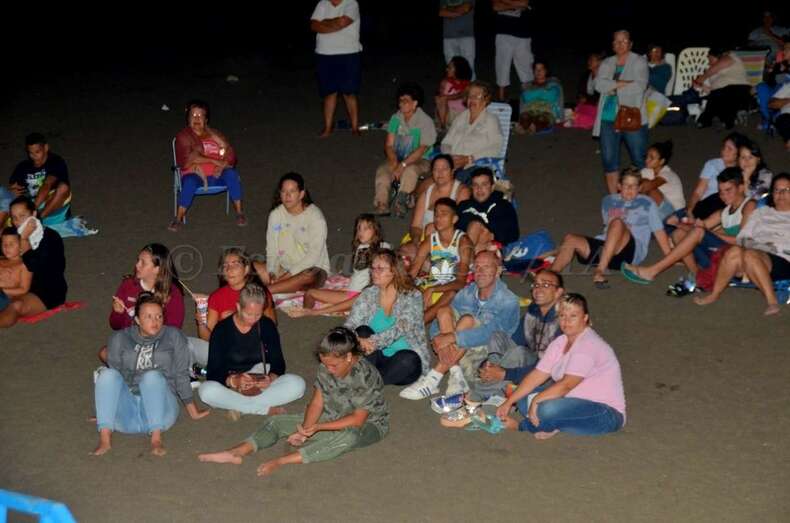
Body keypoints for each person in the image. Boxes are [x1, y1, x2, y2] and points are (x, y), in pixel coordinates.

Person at [198, 327, 388, 477]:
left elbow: (357, 420)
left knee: (348, 438)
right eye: (325, 364)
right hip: (332, 414)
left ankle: (283, 460)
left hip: (369, 425)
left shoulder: (366, 376)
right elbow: (317, 403)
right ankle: (237, 452)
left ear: (348, 357)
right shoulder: (326, 366)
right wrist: (305, 430)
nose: (328, 369)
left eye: (333, 365)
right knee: (277, 422)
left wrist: (318, 427)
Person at [92, 293, 210, 456]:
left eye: (159, 316)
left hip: (161, 412)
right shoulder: (120, 338)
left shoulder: (173, 336)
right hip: (128, 416)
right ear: (137, 319)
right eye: (148, 317)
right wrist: (106, 410)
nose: (155, 321)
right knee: (107, 375)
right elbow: (117, 377)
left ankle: (156, 439)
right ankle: (105, 439)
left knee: (152, 376)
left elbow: (181, 374)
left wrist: (192, 410)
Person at [495, 293, 626, 439]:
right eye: (562, 316)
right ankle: (555, 424)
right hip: (572, 401)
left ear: (585, 318)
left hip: (605, 414)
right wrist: (509, 402)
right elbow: (537, 374)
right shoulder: (560, 342)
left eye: (573, 316)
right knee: (524, 399)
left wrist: (536, 401)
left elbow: (567, 385)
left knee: (545, 409)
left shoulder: (588, 345)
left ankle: (526, 426)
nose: (566, 321)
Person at [400, 250, 520, 400]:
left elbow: (489, 334)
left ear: (498, 271)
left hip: (486, 357)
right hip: (460, 351)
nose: (480, 271)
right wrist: (437, 338)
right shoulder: (467, 292)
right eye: (477, 266)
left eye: (486, 266)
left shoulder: (508, 301)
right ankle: (456, 373)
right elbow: (439, 322)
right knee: (443, 311)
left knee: (467, 320)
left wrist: (451, 337)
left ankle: (434, 377)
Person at [622, 168, 756, 286]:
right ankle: (699, 277)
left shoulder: (749, 205)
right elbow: (700, 231)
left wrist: (707, 232)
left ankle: (652, 271)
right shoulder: (724, 211)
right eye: (721, 192)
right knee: (678, 234)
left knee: (699, 232)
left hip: (737, 262)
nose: (724, 195)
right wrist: (678, 224)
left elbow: (742, 241)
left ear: (741, 187)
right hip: (719, 255)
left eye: (728, 190)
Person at [198, 283, 306, 417]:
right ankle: (261, 408)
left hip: (261, 377)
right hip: (233, 382)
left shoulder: (267, 325)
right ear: (238, 307)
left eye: (258, 314)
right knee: (206, 391)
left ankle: (240, 405)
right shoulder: (222, 330)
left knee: (297, 384)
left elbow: (278, 363)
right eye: (248, 314)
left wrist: (270, 378)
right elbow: (213, 373)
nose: (253, 319)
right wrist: (234, 381)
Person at [550, 169, 671, 287]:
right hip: (606, 248)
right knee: (570, 238)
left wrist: (669, 256)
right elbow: (607, 228)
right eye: (626, 185)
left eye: (634, 186)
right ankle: (549, 278)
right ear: (619, 186)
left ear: (639, 188)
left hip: (628, 253)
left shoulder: (647, 203)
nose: (630, 189)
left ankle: (600, 270)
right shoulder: (608, 201)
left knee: (617, 223)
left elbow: (658, 230)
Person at [695, 173, 790, 316]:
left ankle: (772, 302)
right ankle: (714, 294)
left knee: (750, 255)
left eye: (786, 190)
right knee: (734, 251)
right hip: (756, 250)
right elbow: (742, 237)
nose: (781, 194)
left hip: (781, 257)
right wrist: (760, 246)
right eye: (777, 190)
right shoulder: (762, 212)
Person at [472, 269, 564, 402]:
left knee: (519, 352)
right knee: (497, 336)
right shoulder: (533, 312)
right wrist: (491, 366)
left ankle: (479, 393)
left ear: (558, 292)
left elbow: (548, 367)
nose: (538, 289)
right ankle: (492, 379)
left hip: (547, 377)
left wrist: (506, 373)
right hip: (526, 365)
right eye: (536, 285)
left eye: (545, 285)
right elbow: (515, 341)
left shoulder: (564, 321)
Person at [344, 249, 429, 386]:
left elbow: (401, 328)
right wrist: (358, 339)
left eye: (380, 268)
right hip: (374, 356)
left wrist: (373, 342)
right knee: (362, 330)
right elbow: (349, 325)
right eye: (373, 268)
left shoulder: (412, 295)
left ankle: (367, 382)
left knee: (409, 359)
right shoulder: (368, 294)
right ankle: (369, 381)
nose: (374, 272)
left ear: (394, 271)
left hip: (400, 361)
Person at [98, 243, 185, 364]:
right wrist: (118, 313)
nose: (137, 265)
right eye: (138, 260)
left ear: (157, 269)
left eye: (143, 263)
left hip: (158, 345)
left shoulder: (172, 294)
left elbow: (173, 331)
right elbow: (115, 326)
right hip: (130, 342)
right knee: (104, 353)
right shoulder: (128, 286)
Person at [189, 248, 276, 369]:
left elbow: (271, 330)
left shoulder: (260, 294)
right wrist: (201, 323)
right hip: (225, 351)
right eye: (225, 266)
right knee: (185, 343)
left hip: (254, 353)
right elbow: (208, 338)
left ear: (246, 269)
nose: (229, 269)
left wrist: (237, 319)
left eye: (235, 264)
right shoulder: (216, 297)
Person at [289, 214, 388, 317]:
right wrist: (348, 288)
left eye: (366, 228)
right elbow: (359, 275)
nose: (360, 232)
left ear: (375, 230)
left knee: (310, 293)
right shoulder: (362, 248)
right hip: (355, 293)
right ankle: (337, 307)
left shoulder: (383, 250)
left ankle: (306, 312)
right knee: (314, 293)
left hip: (360, 295)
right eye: (359, 228)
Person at [171, 100, 246, 230]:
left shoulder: (215, 134)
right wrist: (214, 161)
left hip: (217, 174)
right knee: (189, 182)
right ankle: (178, 219)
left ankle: (239, 213)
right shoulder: (184, 137)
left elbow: (229, 153)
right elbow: (188, 160)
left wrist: (222, 166)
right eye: (193, 115)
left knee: (232, 174)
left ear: (206, 120)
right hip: (195, 174)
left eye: (200, 115)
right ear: (188, 119)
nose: (197, 118)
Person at [254, 173, 331, 295]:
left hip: (312, 270)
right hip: (283, 268)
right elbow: (271, 249)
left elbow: (313, 256)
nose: (287, 196)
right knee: (248, 267)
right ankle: (278, 286)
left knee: (308, 275)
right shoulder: (276, 215)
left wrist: (287, 276)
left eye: (292, 191)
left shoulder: (315, 217)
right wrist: (272, 272)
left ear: (301, 194)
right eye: (284, 191)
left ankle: (264, 293)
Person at [594, 30, 650, 195]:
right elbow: (599, 85)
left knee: (639, 158)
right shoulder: (607, 62)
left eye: (624, 41)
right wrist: (624, 83)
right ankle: (615, 198)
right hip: (608, 117)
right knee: (609, 160)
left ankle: (642, 197)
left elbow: (640, 86)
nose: (620, 44)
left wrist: (612, 86)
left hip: (632, 116)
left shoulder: (639, 61)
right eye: (617, 41)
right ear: (612, 44)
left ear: (630, 44)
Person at [0, 197, 67, 328]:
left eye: (22, 216)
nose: (18, 222)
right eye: (14, 218)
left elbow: (34, 266)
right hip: (17, 284)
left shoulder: (50, 237)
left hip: (45, 290)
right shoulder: (14, 235)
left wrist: (24, 239)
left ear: (34, 214)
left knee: (17, 306)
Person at [373, 83, 437, 218]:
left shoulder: (425, 122)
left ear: (415, 104)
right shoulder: (396, 118)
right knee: (383, 171)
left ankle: (401, 201)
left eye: (406, 101)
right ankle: (382, 203)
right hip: (399, 157)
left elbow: (422, 149)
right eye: (400, 100)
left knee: (410, 171)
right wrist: (394, 161)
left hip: (421, 159)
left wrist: (402, 165)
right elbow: (389, 145)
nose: (401, 104)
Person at [409, 198, 473, 324]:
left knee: (451, 294)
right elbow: (413, 271)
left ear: (454, 219)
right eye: (436, 214)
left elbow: (461, 282)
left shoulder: (463, 242)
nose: (438, 218)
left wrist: (433, 289)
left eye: (444, 214)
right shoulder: (430, 240)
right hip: (433, 284)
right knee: (408, 286)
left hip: (453, 289)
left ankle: (418, 324)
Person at [400, 154, 471, 266]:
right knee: (405, 251)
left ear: (452, 171)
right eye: (436, 169)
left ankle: (432, 265)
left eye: (444, 168)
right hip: (423, 237)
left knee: (431, 229)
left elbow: (461, 224)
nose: (440, 172)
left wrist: (434, 235)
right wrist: (416, 241)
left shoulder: (461, 191)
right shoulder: (427, 192)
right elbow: (416, 225)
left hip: (448, 238)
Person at [310, 0, 363, 137]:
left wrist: (324, 23)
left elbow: (343, 22)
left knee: (349, 93)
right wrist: (335, 24)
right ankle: (328, 128)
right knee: (329, 93)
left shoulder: (351, 3)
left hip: (348, 54)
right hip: (324, 54)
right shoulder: (322, 3)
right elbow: (314, 25)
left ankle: (355, 127)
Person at [672, 132, 747, 223]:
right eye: (724, 147)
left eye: (729, 149)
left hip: (725, 208)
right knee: (670, 221)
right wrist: (690, 210)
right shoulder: (713, 164)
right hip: (705, 205)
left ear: (738, 153)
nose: (724, 151)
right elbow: (698, 192)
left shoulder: (741, 171)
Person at [440, 81, 503, 184]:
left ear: (485, 100)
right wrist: (450, 157)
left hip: (475, 166)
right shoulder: (460, 117)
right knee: (431, 182)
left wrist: (469, 159)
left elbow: (496, 148)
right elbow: (446, 142)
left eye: (477, 96)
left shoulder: (491, 120)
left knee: (450, 182)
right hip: (452, 164)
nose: (472, 99)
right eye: (470, 96)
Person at [7, 133, 71, 225]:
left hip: (51, 201)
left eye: (37, 152)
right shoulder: (23, 167)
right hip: (31, 202)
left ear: (46, 148)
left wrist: (33, 209)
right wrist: (12, 191)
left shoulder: (56, 161)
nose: (34, 156)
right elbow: (14, 187)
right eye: (30, 153)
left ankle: (39, 219)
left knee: (63, 187)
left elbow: (47, 185)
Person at [456, 168, 519, 253]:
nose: (479, 189)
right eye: (475, 185)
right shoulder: (463, 206)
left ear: (492, 187)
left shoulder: (504, 206)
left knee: (476, 226)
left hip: (491, 250)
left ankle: (465, 259)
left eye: (484, 184)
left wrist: (486, 231)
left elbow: (512, 236)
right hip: (462, 245)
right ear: (471, 188)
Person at [694, 48, 751, 130]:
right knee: (715, 97)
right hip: (721, 93)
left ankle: (707, 120)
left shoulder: (730, 57)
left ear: (718, 56)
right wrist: (701, 86)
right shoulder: (712, 72)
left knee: (722, 95)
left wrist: (701, 79)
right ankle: (727, 120)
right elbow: (711, 90)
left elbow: (716, 67)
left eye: (710, 58)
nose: (708, 62)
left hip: (738, 88)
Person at [492, 0, 534, 102]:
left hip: (523, 33)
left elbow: (524, 3)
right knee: (502, 67)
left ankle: (530, 99)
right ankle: (501, 100)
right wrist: (515, 5)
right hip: (503, 31)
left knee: (526, 69)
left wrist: (505, 3)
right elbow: (496, 6)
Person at [639, 140, 685, 220]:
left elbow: (647, 186)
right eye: (647, 156)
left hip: (676, 212)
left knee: (651, 190)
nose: (647, 160)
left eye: (651, 158)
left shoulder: (668, 174)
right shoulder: (646, 171)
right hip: (659, 208)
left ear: (661, 161)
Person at [517, 61, 564, 134]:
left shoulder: (554, 84)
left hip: (547, 111)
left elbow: (555, 99)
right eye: (536, 69)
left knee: (541, 119)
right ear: (533, 71)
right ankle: (528, 127)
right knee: (525, 117)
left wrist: (560, 118)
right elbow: (524, 101)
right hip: (530, 110)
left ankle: (531, 128)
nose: (538, 71)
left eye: (541, 69)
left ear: (546, 71)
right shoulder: (527, 85)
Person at [439, 2, 476, 79]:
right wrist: (458, 11)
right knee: (450, 69)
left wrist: (449, 11)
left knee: (469, 68)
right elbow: (441, 12)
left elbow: (466, 8)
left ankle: (469, 86)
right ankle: (454, 87)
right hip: (448, 36)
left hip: (466, 35)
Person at [436, 56, 473, 131]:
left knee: (442, 99)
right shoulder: (445, 82)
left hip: (461, 115)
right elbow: (440, 102)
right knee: (439, 99)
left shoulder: (468, 85)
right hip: (446, 114)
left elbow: (461, 95)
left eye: (449, 68)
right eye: (447, 67)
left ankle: (444, 126)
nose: (446, 69)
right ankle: (443, 125)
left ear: (458, 70)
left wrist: (447, 97)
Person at [0, 228, 32, 303]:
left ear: (21, 246)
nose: (7, 247)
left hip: (5, 297)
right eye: (4, 244)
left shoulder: (24, 265)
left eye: (11, 244)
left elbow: (24, 289)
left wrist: (2, 291)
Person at [769, 81, 790, 151]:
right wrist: (788, 100)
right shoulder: (788, 86)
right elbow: (772, 104)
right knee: (784, 120)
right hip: (787, 116)